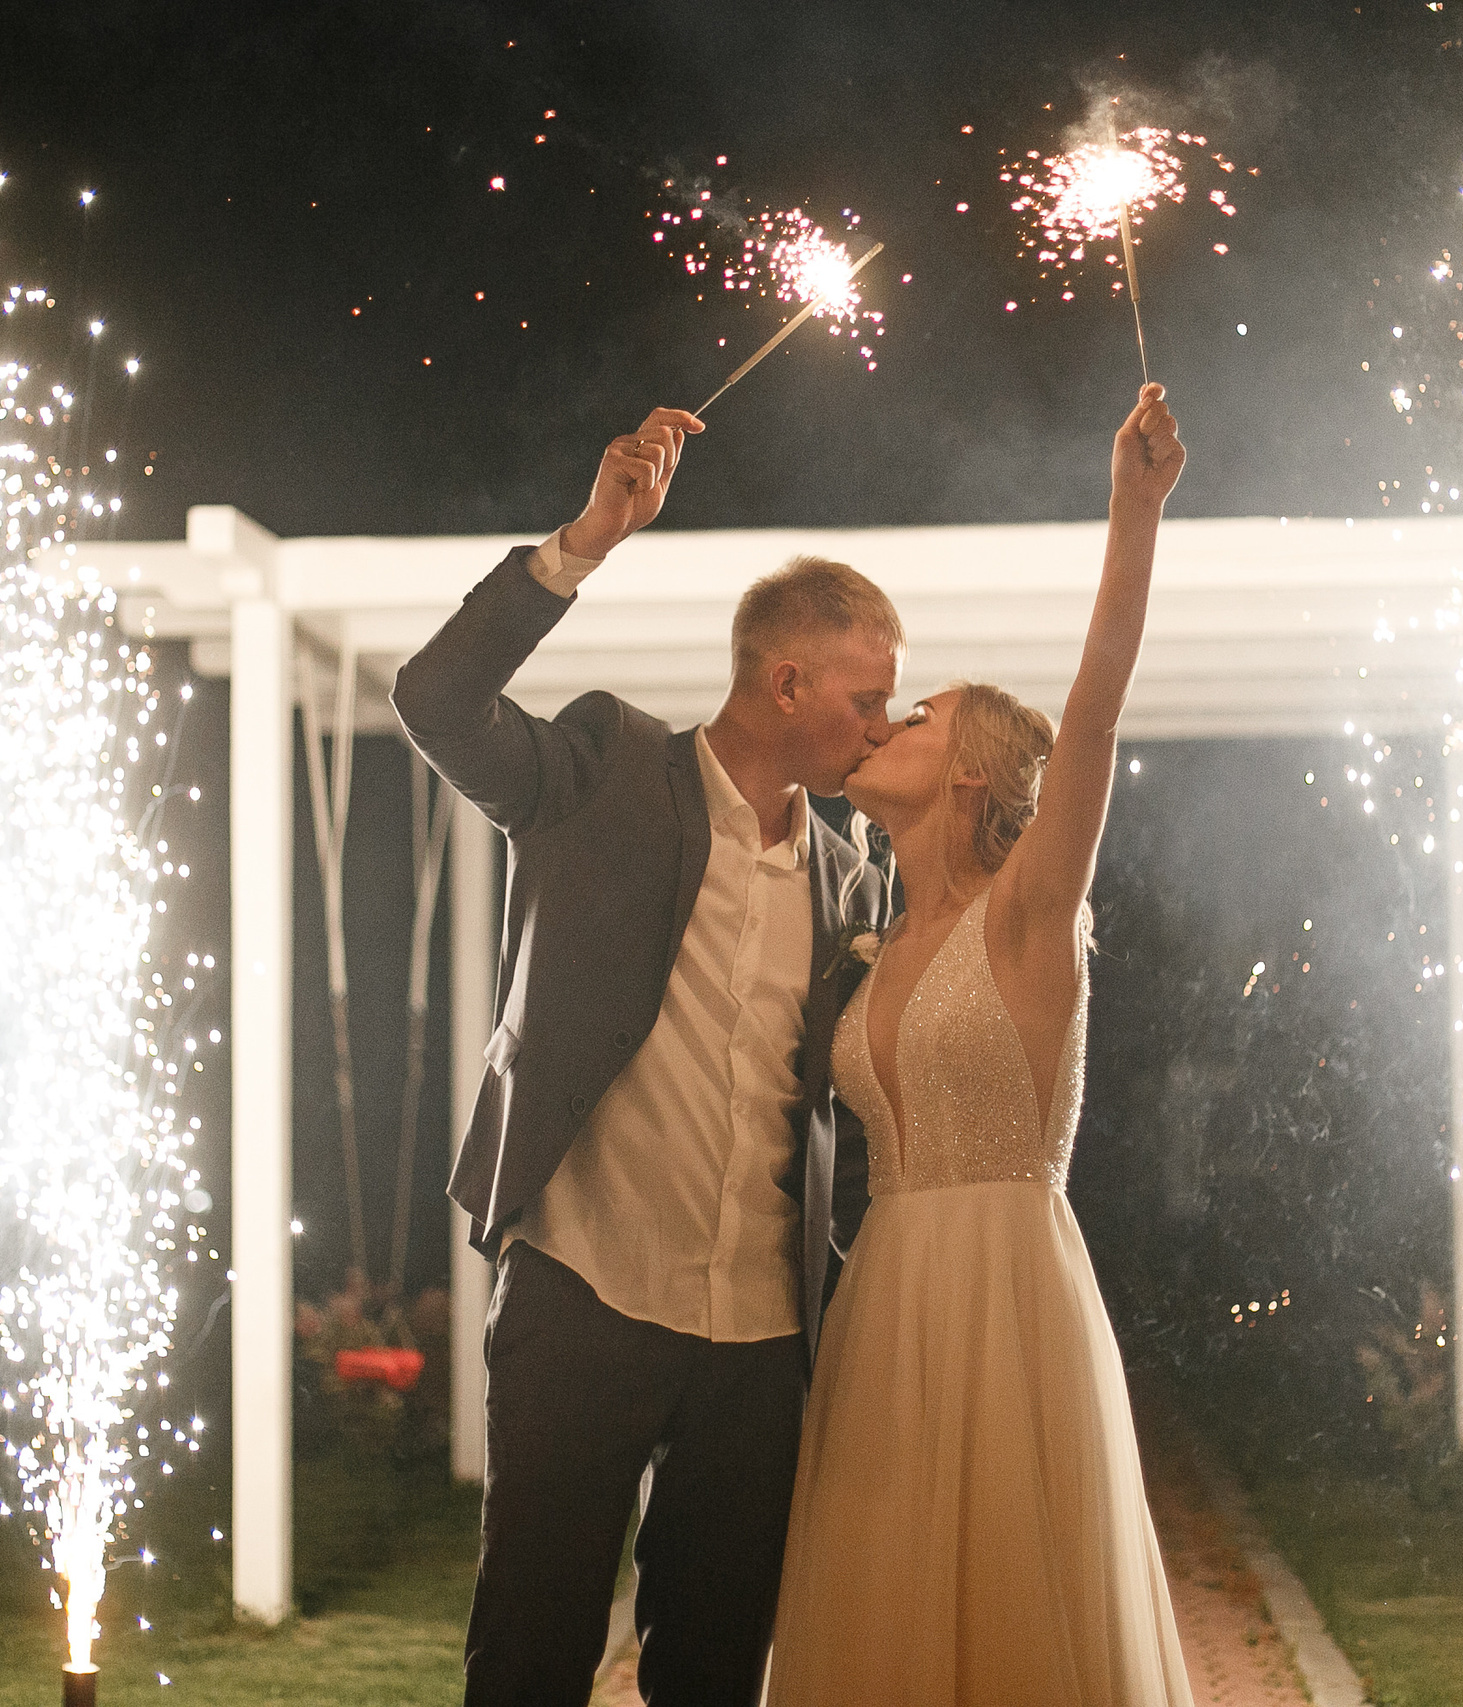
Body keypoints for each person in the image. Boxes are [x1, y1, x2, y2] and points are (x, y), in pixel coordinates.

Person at [392, 406, 903, 1707]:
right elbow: (435, 698)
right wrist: (581, 544)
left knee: (720, 1674)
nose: (878, 728)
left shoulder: (854, 881)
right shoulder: (605, 772)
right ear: (784, 684)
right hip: (580, 1297)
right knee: (531, 1658)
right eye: (864, 697)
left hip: (759, 1344)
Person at [765, 383, 1197, 1707]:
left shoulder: (1027, 915)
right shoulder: (867, 933)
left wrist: (1134, 512)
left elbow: (1100, 704)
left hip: (1010, 1298)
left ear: (971, 773)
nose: (887, 724)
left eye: (921, 715)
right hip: (884, 1301)